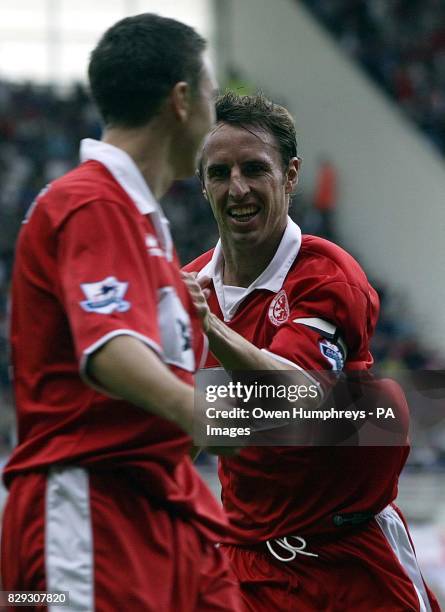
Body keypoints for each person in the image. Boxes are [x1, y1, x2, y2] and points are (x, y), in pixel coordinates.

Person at [1, 15, 242, 611]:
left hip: (161, 509)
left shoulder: (140, 228)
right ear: (181, 101)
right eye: (211, 95)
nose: (215, 114)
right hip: (86, 509)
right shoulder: (89, 202)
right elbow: (108, 351)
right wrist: (215, 417)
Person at [183, 92, 440, 611]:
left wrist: (209, 332)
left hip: (351, 560)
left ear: (291, 175)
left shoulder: (327, 274)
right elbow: (179, 433)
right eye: (219, 172)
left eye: (255, 169)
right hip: (249, 565)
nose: (238, 189)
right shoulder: (188, 285)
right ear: (202, 183)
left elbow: (301, 396)